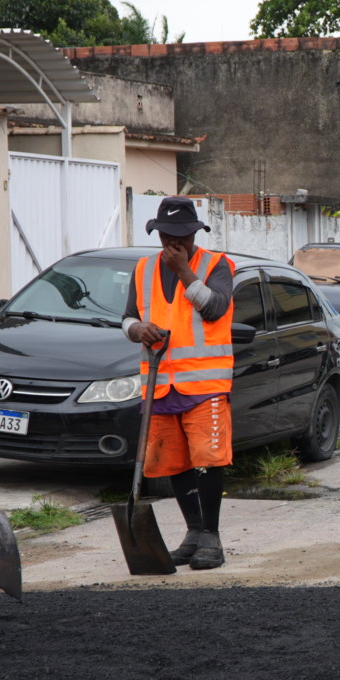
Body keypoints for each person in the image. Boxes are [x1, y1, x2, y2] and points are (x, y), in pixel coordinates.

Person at [123, 196, 237, 569]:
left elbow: (216, 307)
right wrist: (136, 329)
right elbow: (126, 318)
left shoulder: (217, 265)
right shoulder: (142, 269)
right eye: (167, 235)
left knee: (208, 459)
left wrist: (186, 271)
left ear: (194, 234)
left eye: (182, 236)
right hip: (160, 386)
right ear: (157, 233)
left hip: (205, 386)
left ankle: (212, 538)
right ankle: (193, 531)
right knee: (174, 464)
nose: (174, 243)